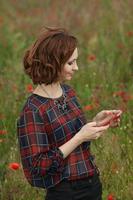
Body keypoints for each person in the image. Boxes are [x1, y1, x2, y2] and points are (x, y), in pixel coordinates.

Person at [17, 27, 122, 200]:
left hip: (92, 184)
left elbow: (72, 134)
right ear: (53, 62)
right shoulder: (33, 109)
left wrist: (98, 121)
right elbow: (37, 166)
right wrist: (79, 137)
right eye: (70, 63)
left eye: (76, 61)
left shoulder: (68, 92)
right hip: (65, 192)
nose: (77, 68)